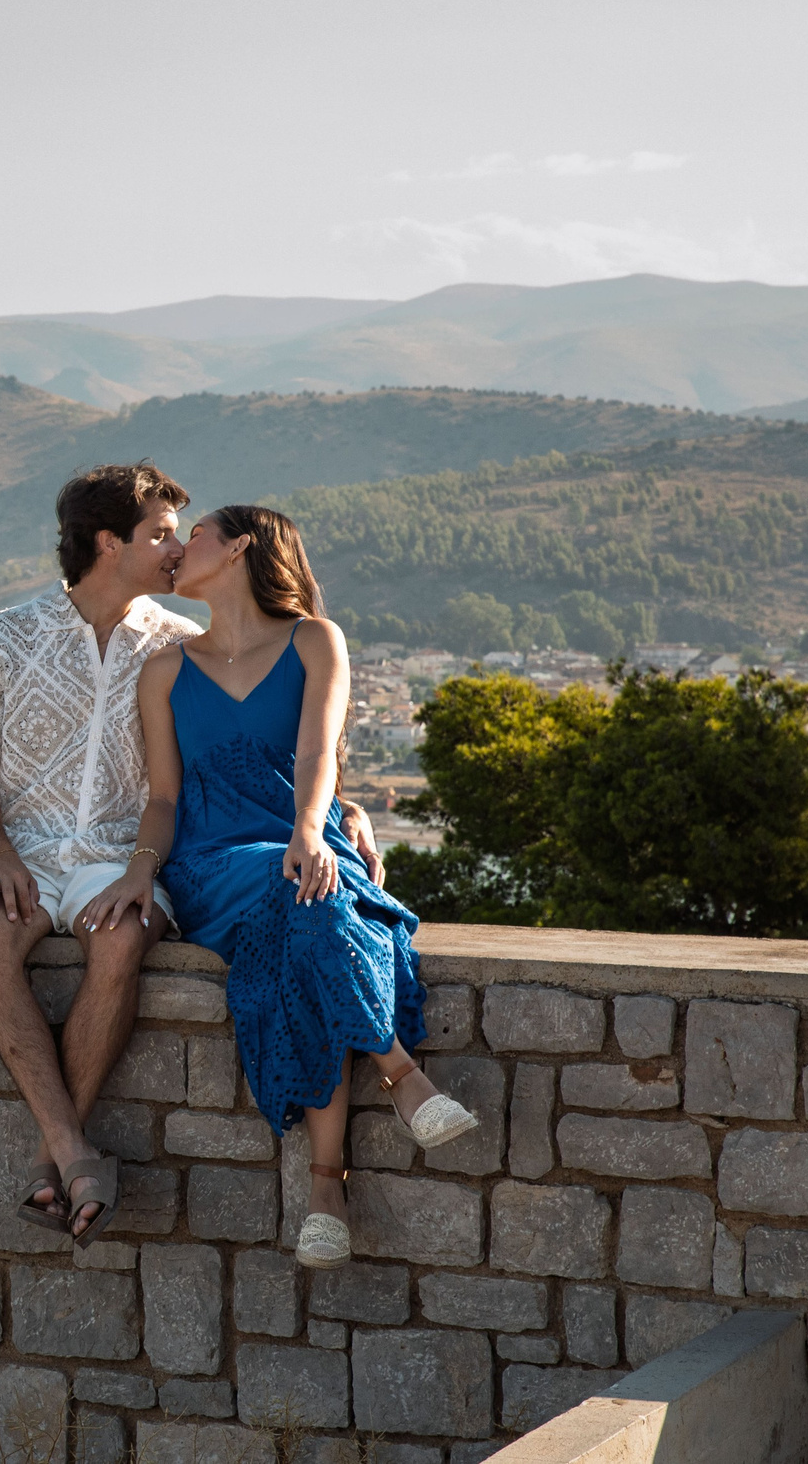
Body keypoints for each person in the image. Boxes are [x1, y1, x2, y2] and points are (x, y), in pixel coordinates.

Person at [0, 465, 384, 1248]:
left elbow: (265, 746)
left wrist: (343, 810)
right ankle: (71, 1150)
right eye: (162, 533)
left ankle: (54, 1156)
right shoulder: (4, 636)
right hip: (23, 851)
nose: (177, 548)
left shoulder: (178, 646)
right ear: (110, 542)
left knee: (122, 938)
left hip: (125, 854)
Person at [81, 503, 473, 1269]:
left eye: (195, 534)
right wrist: (140, 868)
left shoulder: (315, 640)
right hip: (211, 865)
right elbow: (164, 799)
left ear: (240, 548)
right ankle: (401, 1076)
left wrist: (311, 828)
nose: (179, 547)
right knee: (303, 895)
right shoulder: (165, 669)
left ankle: (326, 1193)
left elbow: (317, 755)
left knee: (310, 920)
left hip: (303, 846)